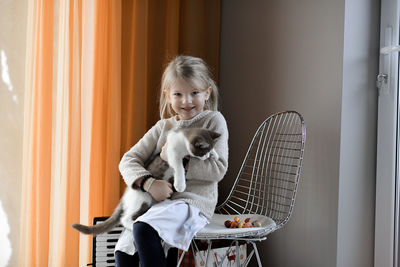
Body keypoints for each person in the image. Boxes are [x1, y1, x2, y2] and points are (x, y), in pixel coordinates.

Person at [114, 55, 229, 267]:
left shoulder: (213, 120)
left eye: (194, 93)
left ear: (207, 93)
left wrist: (176, 160)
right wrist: (149, 184)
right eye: (178, 94)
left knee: (144, 229)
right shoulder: (163, 127)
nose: (186, 101)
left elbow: (218, 169)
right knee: (124, 251)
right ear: (168, 96)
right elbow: (127, 160)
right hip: (158, 203)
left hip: (192, 203)